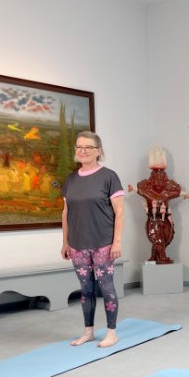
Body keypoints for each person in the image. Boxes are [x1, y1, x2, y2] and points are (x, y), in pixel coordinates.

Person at [61, 131, 125, 348]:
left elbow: (120, 212)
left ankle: (111, 332)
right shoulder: (70, 180)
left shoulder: (109, 177)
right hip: (77, 245)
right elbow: (66, 213)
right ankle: (88, 332)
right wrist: (65, 242)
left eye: (88, 147)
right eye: (79, 147)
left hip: (103, 244)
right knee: (86, 290)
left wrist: (117, 242)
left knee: (106, 288)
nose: (83, 151)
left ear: (98, 151)